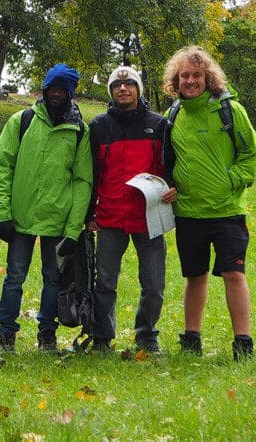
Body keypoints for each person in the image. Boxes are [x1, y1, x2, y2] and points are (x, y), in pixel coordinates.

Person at [162, 45, 256, 361]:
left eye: (196, 75)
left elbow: (253, 154)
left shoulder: (230, 111)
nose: (190, 81)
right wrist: (169, 184)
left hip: (227, 211)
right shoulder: (173, 115)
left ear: (208, 77)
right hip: (188, 212)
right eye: (184, 76)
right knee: (195, 276)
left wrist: (230, 181)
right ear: (175, 82)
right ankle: (191, 339)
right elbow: (166, 159)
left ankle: (242, 343)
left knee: (234, 274)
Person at [0, 63, 93, 354]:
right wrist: (3, 214)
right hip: (20, 218)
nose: (57, 94)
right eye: (53, 88)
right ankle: (6, 336)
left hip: (57, 220)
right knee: (14, 278)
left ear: (70, 94)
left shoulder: (79, 131)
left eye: (64, 90)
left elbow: (82, 181)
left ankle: (47, 334)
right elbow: (1, 166)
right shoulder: (21, 121)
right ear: (46, 89)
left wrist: (73, 230)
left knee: (53, 279)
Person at [87, 65, 177, 354]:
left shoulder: (159, 125)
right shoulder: (99, 127)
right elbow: (92, 173)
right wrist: (89, 213)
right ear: (111, 91)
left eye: (129, 84)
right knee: (105, 282)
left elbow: (170, 165)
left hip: (149, 216)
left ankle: (147, 335)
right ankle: (102, 338)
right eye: (116, 85)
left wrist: (173, 186)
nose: (122, 89)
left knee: (153, 283)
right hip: (111, 216)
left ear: (139, 89)